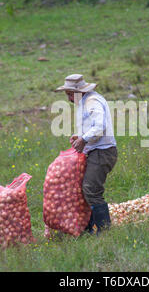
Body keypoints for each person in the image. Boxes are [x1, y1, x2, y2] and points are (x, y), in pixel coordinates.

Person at [55, 74, 117, 233]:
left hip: (103, 152)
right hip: (95, 151)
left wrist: (84, 139)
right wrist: (80, 136)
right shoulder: (85, 101)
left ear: (79, 91)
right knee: (84, 188)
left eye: (70, 94)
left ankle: (104, 230)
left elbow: (100, 126)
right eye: (67, 95)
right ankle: (88, 227)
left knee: (91, 188)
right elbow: (92, 127)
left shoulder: (92, 102)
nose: (68, 98)